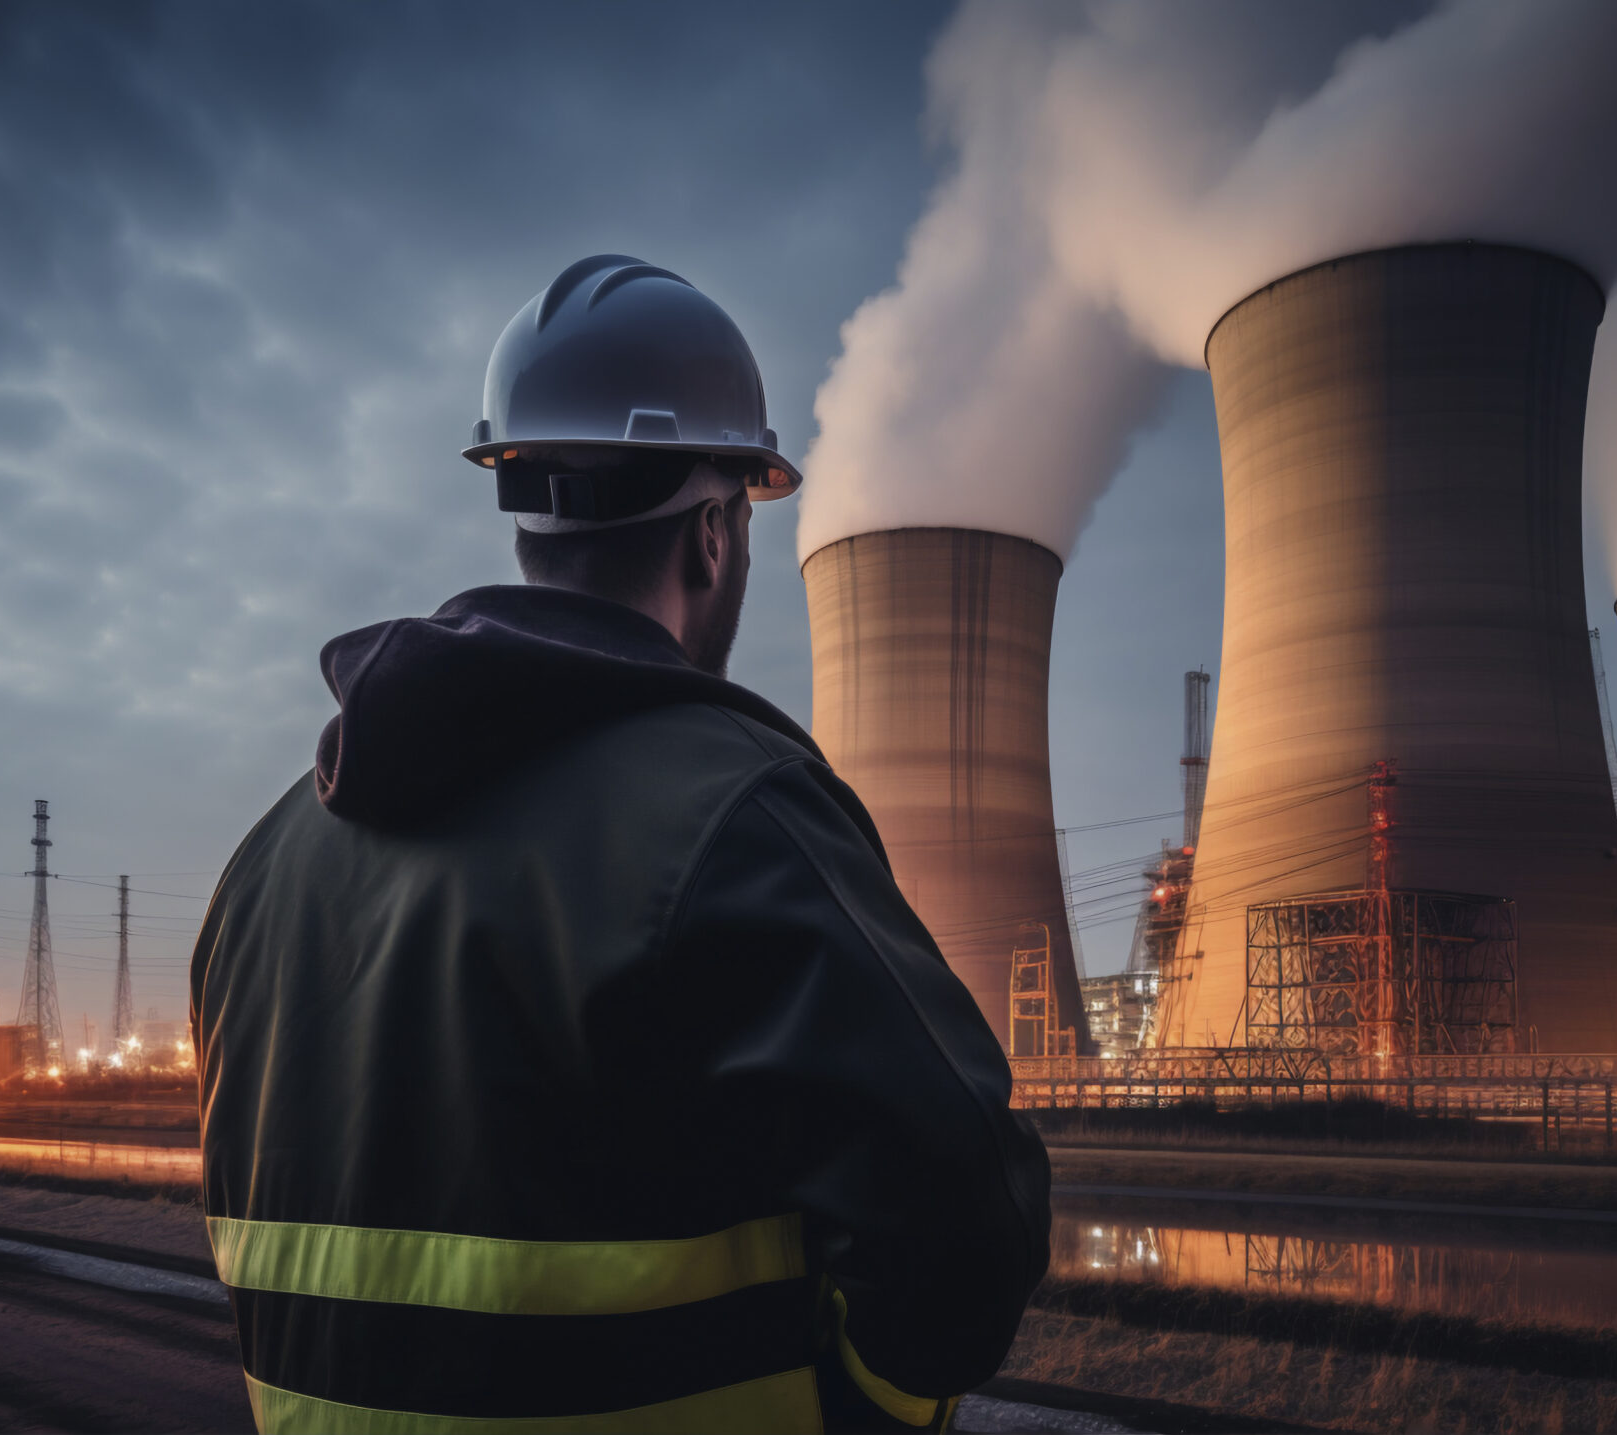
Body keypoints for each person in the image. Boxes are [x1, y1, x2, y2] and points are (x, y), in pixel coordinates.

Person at [192, 255, 1050, 1434]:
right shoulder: (732, 814)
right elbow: (971, 1218)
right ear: (713, 535)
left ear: (524, 505)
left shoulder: (263, 865)